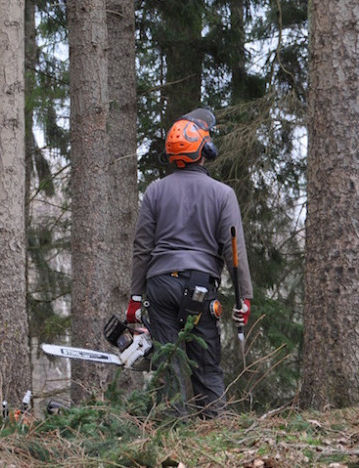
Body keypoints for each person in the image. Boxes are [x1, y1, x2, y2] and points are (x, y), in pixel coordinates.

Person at [125, 108, 252, 419]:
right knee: (207, 368)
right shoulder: (223, 194)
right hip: (199, 289)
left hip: (160, 287)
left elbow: (143, 247)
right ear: (205, 149)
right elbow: (234, 252)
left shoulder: (155, 190)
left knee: (167, 368)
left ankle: (172, 437)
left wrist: (135, 298)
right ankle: (215, 434)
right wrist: (243, 298)